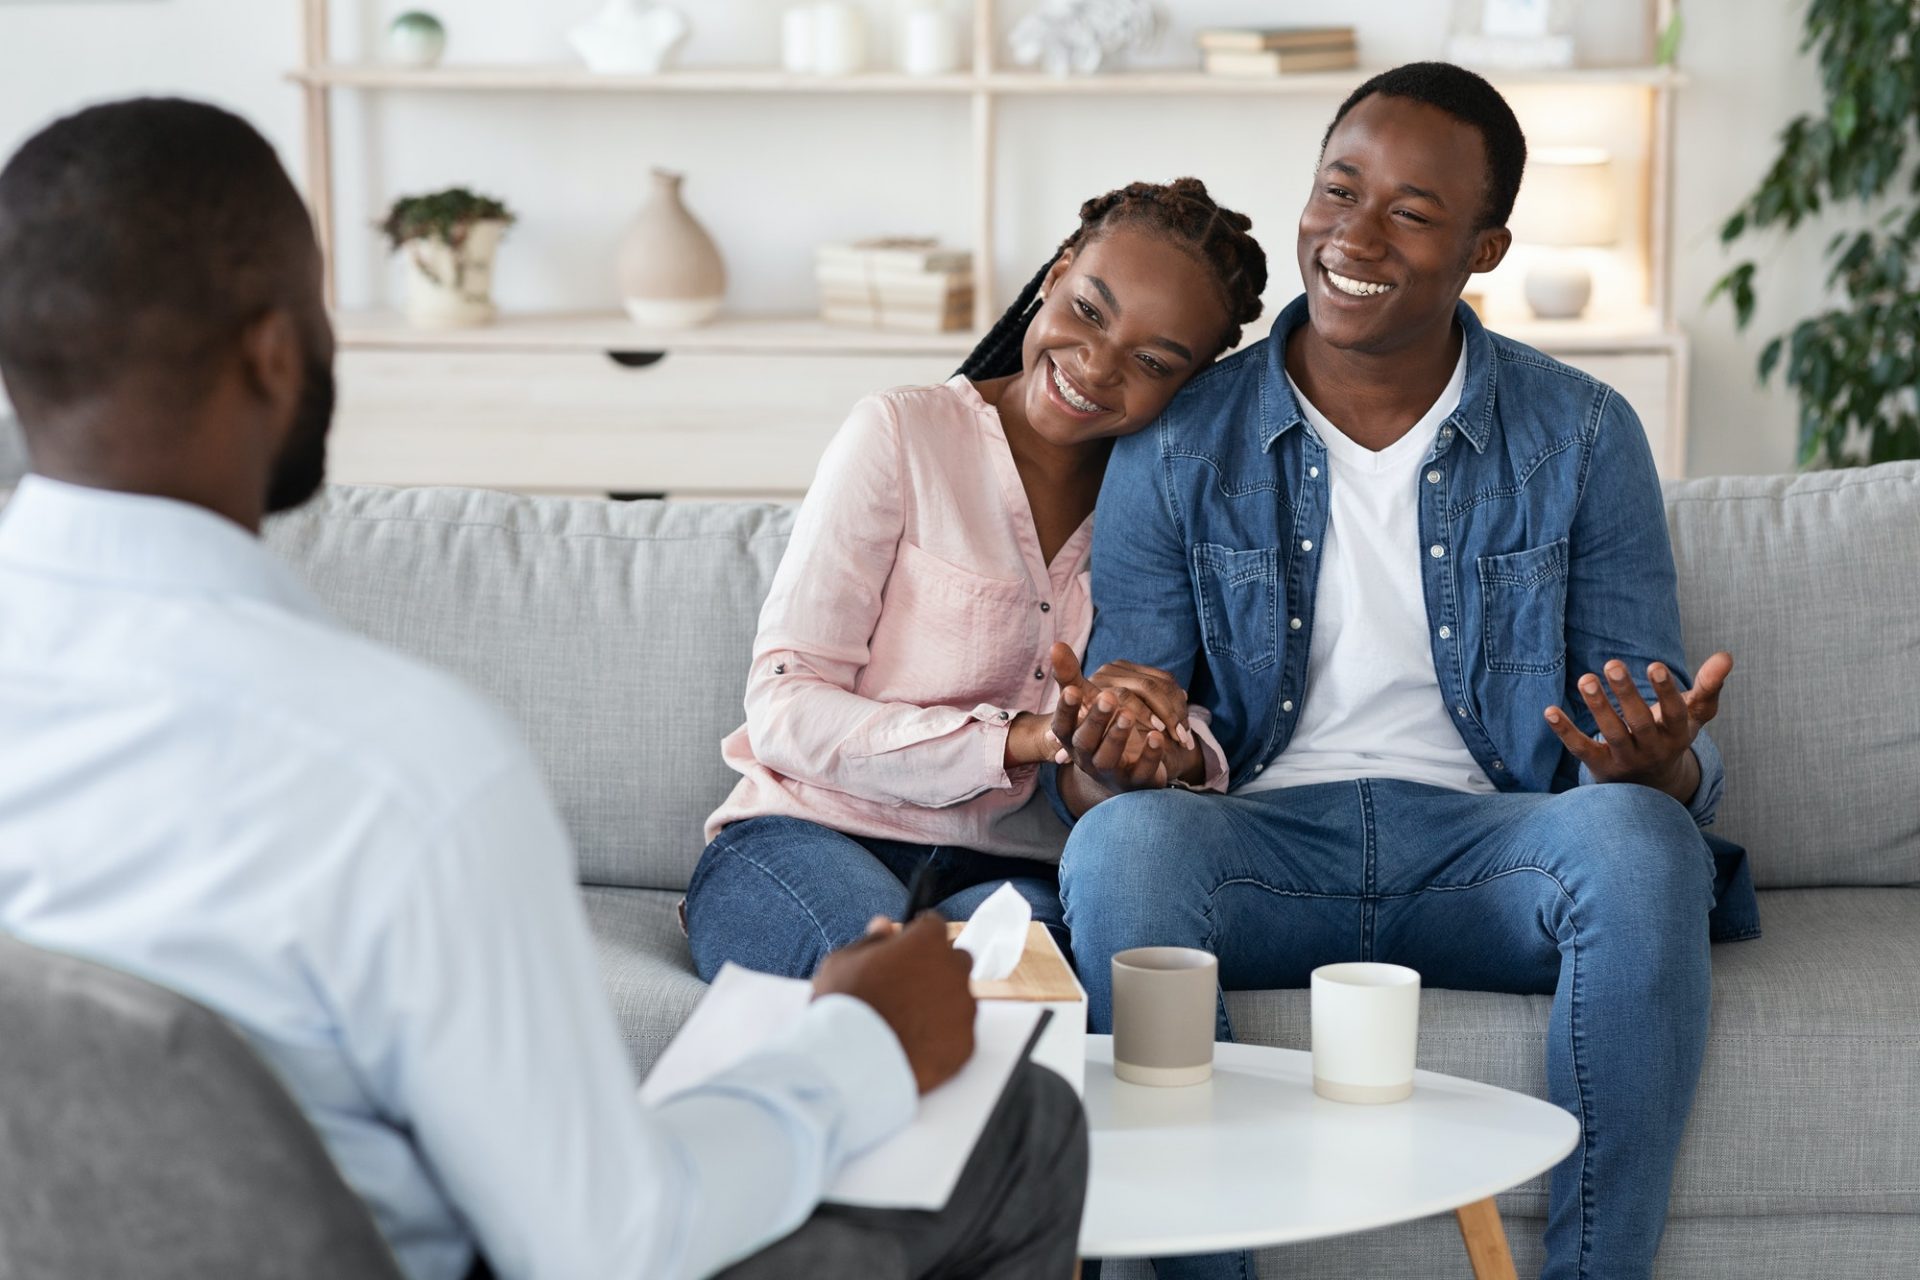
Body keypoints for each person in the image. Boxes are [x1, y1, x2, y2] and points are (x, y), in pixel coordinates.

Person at [0, 97, 1086, 1280]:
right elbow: (610, 1242)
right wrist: (861, 1042)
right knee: (1020, 1127)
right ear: (274, 350)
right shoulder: (400, 769)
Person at [1044, 64, 1760, 1280]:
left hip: (1496, 851)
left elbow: (1643, 726)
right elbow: (1130, 741)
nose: (1355, 236)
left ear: (1485, 246)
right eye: (1340, 189)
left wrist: (1656, 757)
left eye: (1413, 213)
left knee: (1647, 844)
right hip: (1263, 848)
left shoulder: (1583, 432)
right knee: (1122, 849)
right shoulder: (1175, 437)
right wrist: (1113, 758)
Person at [685, 179, 1268, 981]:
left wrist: (1156, 746)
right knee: (887, 989)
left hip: (1014, 875)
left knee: (1056, 998)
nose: (1095, 367)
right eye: (1089, 311)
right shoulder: (903, 432)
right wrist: (1021, 737)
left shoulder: (1176, 511)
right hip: (807, 836)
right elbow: (785, 705)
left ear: (1191, 381)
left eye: (1152, 360)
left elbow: (1183, 719)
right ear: (1057, 272)